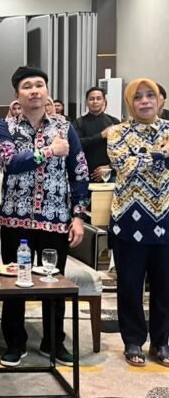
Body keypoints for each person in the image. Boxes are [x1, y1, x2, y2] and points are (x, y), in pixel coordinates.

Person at [0, 66, 89, 367]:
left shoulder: (65, 127)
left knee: (53, 284)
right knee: (14, 284)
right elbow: (10, 162)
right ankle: (15, 343)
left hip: (55, 218)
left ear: (47, 92)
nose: (34, 90)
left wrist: (78, 216)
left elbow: (79, 172)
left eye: (39, 85)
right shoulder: (5, 127)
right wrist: (49, 151)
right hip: (15, 220)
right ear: (17, 95)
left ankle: (54, 342)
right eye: (27, 86)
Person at [107, 78, 169, 368]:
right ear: (130, 103)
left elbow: (135, 162)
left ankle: (162, 342)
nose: (145, 101)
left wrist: (141, 156)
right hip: (128, 221)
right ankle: (133, 340)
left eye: (150, 96)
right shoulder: (118, 132)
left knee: (165, 285)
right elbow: (122, 164)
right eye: (138, 97)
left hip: (165, 218)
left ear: (159, 100)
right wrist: (160, 156)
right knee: (130, 285)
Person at [73, 87, 121, 182]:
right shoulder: (78, 123)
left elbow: (121, 149)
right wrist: (101, 135)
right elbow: (77, 144)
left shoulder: (114, 122)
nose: (95, 101)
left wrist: (110, 167)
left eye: (98, 98)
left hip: (110, 173)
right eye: (91, 99)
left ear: (104, 102)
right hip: (85, 174)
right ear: (86, 102)